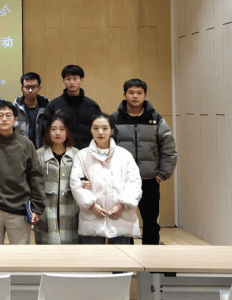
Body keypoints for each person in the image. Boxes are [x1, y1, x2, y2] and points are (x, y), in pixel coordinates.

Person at [110, 79, 177, 245]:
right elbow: (107, 148)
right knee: (123, 221)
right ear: (124, 94)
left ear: (145, 95)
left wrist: (163, 173)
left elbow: (168, 147)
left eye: (139, 93)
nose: (135, 96)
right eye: (131, 92)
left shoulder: (156, 119)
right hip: (122, 181)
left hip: (149, 179)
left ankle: (151, 256)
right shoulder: (115, 119)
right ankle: (127, 254)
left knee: (151, 222)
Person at [0, 101, 44, 245]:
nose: (4, 119)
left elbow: (35, 177)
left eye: (8, 115)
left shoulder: (26, 144)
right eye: (0, 115)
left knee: (20, 255)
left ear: (15, 119)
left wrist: (37, 207)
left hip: (20, 208)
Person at [71, 113, 142, 244]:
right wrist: (92, 205)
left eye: (105, 128)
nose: (100, 132)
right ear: (90, 130)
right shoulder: (82, 156)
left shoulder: (124, 155)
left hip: (120, 215)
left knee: (121, 255)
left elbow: (134, 183)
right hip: (92, 216)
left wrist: (122, 205)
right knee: (93, 254)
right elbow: (76, 183)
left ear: (111, 130)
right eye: (96, 128)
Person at [35, 116, 79, 245]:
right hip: (47, 208)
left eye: (62, 129)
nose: (57, 133)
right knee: (48, 248)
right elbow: (34, 183)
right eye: (53, 129)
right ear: (48, 132)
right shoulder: (39, 155)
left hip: (71, 208)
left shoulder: (77, 155)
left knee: (71, 247)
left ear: (68, 132)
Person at [41, 65, 102, 149]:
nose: (72, 82)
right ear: (63, 81)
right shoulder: (54, 105)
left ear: (82, 80)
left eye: (75, 79)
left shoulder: (92, 105)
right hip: (62, 151)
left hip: (87, 151)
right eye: (68, 79)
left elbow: (100, 129)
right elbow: (45, 130)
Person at [14, 72, 50, 148]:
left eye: (33, 87)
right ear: (22, 89)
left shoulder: (48, 108)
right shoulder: (14, 109)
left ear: (39, 88)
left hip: (42, 151)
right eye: (27, 87)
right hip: (21, 151)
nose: (30, 90)